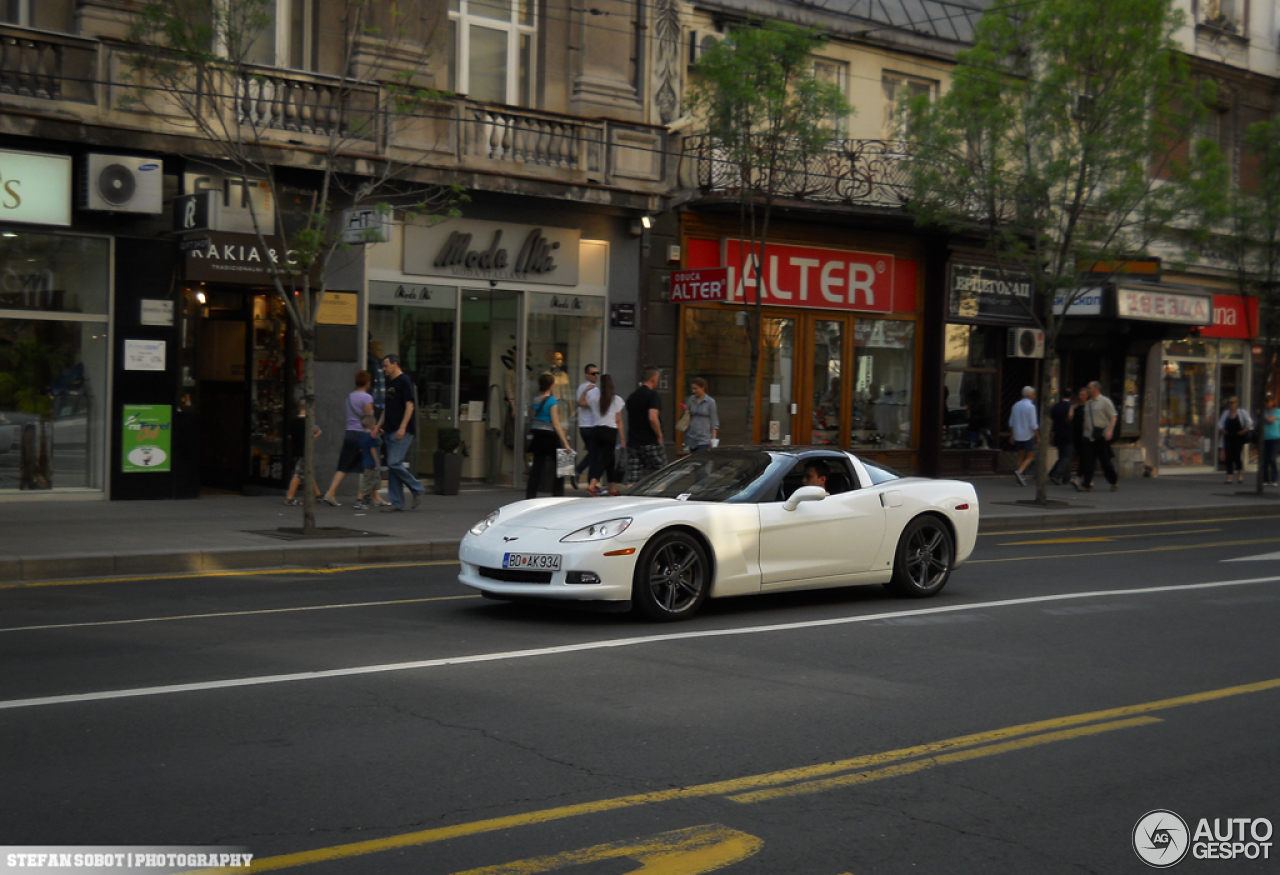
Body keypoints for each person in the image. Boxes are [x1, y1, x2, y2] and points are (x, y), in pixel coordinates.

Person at [377, 354, 426, 512]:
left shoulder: (405, 381)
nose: (384, 369)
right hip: (391, 430)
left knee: (393, 463)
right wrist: (379, 425)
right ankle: (397, 503)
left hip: (401, 430)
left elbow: (410, 406)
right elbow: (388, 408)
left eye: (386, 366)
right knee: (393, 468)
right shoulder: (391, 383)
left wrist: (403, 427)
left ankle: (417, 487)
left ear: (395, 364)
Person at [322, 370, 375, 507]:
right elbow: (368, 418)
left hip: (349, 433)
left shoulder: (349, 397)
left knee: (344, 466)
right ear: (367, 383)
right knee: (369, 466)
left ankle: (331, 493)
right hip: (362, 433)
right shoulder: (367, 398)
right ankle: (360, 499)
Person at [526, 372, 572, 499]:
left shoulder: (535, 399)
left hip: (537, 436)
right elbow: (556, 424)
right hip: (549, 436)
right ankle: (558, 494)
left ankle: (530, 495)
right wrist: (565, 442)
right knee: (562, 463)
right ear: (551, 385)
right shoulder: (552, 401)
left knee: (537, 467)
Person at [1074, 380, 1118, 492]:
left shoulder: (1105, 401)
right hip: (1089, 436)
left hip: (1101, 435)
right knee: (1088, 460)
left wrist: (1110, 431)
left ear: (1096, 389)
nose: (1088, 389)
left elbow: (1113, 416)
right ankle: (1086, 484)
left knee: (1105, 462)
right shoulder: (1088, 403)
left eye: (1089, 388)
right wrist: (1084, 434)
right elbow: (1086, 420)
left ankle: (1113, 480)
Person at [625, 366, 666, 485]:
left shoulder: (632, 397)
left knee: (633, 477)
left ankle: (629, 496)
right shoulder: (653, 395)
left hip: (633, 442)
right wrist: (659, 434)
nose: (658, 381)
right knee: (661, 473)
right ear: (653, 378)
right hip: (649, 441)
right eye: (658, 378)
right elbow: (653, 417)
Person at [586, 373, 625, 497]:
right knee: (605, 459)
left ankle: (612, 488)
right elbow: (619, 420)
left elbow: (582, 403)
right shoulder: (616, 400)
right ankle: (592, 485)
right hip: (610, 432)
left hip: (597, 430)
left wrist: (585, 392)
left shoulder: (594, 399)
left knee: (609, 459)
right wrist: (622, 438)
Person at [284, 403, 322, 506]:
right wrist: (317, 434)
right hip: (305, 450)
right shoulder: (309, 422)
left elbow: (289, 436)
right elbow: (316, 434)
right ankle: (289, 498)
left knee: (307, 471)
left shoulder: (293, 420)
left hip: (295, 449)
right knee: (298, 473)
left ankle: (318, 494)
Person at [573, 363, 600, 489]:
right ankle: (580, 471)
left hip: (584, 426)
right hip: (591, 426)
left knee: (593, 453)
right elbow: (582, 403)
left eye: (597, 373)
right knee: (595, 454)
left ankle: (590, 482)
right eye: (593, 373)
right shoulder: (593, 390)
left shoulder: (581, 388)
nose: (596, 376)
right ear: (587, 374)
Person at [351, 415, 386, 510]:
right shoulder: (372, 437)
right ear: (371, 425)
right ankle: (359, 500)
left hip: (365, 462)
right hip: (371, 463)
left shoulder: (363, 436)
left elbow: (361, 449)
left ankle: (367, 499)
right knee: (367, 482)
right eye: (375, 424)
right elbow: (373, 449)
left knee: (370, 481)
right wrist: (377, 461)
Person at [1218, 396, 1254, 485]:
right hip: (1228, 437)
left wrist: (1244, 430)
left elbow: (1249, 422)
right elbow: (1220, 423)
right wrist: (1222, 429)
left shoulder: (1242, 413)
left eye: (1232, 402)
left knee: (1237, 456)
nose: (1231, 404)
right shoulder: (1226, 413)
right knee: (1229, 457)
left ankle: (1240, 475)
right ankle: (1229, 477)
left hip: (1238, 437)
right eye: (1229, 402)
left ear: (1236, 403)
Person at [1009, 386, 1038, 486]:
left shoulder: (1016, 405)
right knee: (1030, 457)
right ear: (1029, 395)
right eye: (1033, 394)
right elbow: (1033, 424)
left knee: (1020, 456)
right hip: (1028, 435)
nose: (1034, 396)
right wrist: (1038, 436)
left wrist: (1012, 435)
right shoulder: (1031, 407)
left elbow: (1011, 422)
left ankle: (1019, 476)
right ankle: (1020, 472)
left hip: (1017, 435)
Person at [1047, 388, 1075, 485]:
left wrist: (1050, 434)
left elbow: (1051, 422)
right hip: (1069, 434)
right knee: (1067, 457)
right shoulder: (1072, 407)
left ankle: (1066, 478)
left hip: (1058, 434)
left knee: (1062, 456)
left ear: (1062, 395)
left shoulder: (1056, 407)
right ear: (1071, 396)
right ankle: (1056, 474)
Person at [684, 377, 719, 453]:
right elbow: (686, 415)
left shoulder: (710, 402)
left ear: (703, 388)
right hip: (691, 437)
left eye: (696, 389)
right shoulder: (691, 399)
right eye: (693, 389)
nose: (694, 391)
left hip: (704, 438)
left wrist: (713, 440)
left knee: (701, 461)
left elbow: (714, 421)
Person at [1262, 395, 1279, 487]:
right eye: (1265, 401)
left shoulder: (1278, 411)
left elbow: (1270, 421)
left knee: (1272, 458)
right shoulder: (1264, 412)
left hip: (1274, 438)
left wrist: (1262, 416)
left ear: (1273, 402)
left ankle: (1274, 478)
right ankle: (1265, 479)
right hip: (1265, 438)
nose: (1266, 403)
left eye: (1268, 401)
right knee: (1265, 460)